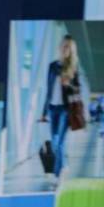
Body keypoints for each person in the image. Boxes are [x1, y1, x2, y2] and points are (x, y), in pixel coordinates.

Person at [39, 34, 84, 177]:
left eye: (68, 47)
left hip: (65, 109)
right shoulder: (52, 66)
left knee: (60, 142)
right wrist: (44, 111)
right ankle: (64, 166)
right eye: (64, 46)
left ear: (71, 51)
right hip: (52, 108)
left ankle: (60, 172)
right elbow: (48, 89)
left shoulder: (73, 68)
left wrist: (68, 84)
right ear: (60, 47)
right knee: (54, 142)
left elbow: (78, 89)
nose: (65, 49)